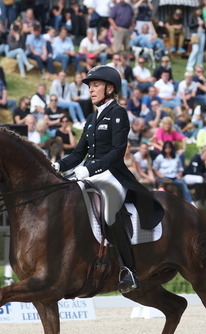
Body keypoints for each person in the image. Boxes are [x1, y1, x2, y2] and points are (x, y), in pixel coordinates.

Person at [52, 65, 163, 293]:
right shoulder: (92, 118)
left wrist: (90, 169)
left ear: (110, 88)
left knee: (109, 211)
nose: (91, 90)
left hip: (112, 175)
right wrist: (55, 165)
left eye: (95, 85)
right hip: (89, 174)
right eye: (90, 86)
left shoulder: (118, 114)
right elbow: (77, 153)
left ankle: (128, 270)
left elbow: (116, 151)